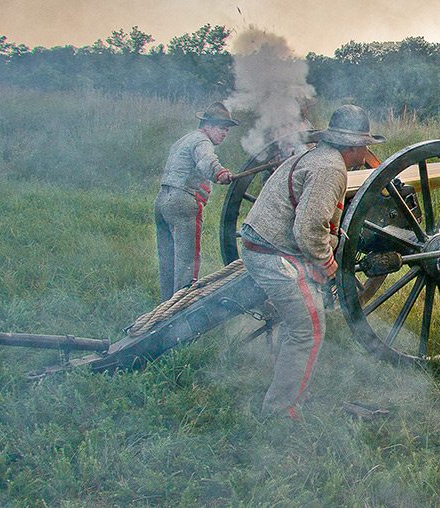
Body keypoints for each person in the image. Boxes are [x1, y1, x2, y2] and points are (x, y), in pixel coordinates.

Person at [239, 105, 385, 420]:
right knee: (309, 327)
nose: (365, 151)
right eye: (363, 145)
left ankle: (286, 386)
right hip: (272, 254)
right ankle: (280, 410)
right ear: (352, 146)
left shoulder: (318, 157)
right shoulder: (330, 168)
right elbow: (307, 232)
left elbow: (316, 221)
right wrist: (329, 265)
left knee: (299, 322)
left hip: (265, 243)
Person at [155, 101, 238, 301]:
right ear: (207, 125)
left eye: (227, 130)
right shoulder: (202, 141)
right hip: (182, 201)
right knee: (186, 261)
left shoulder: (184, 140)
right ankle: (181, 305)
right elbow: (205, 160)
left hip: (162, 201)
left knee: (168, 259)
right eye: (221, 128)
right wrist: (220, 173)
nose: (224, 134)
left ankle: (165, 304)